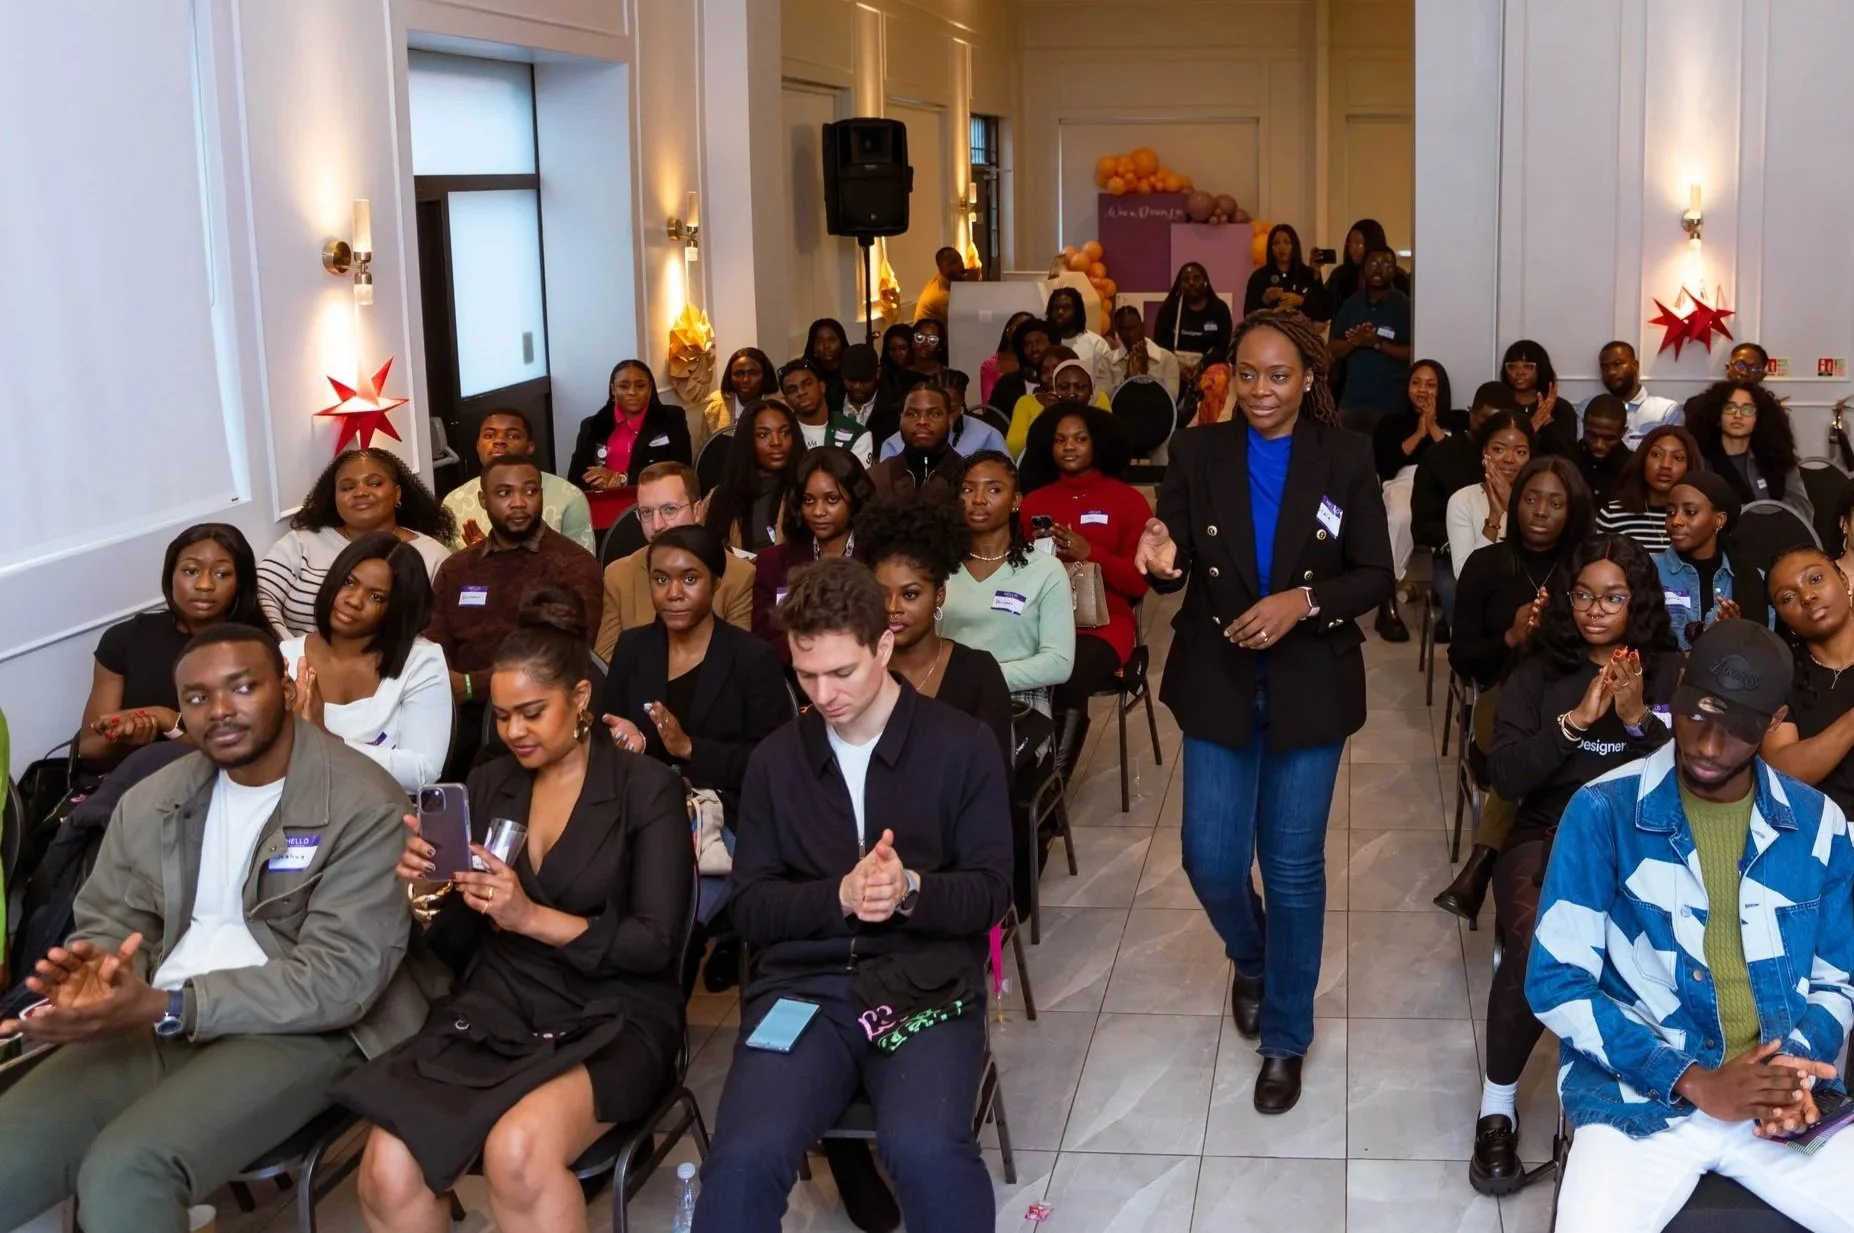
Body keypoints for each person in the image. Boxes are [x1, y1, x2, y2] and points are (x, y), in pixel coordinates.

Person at [0, 625, 431, 1233]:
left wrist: (170, 1004)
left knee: (127, 1171)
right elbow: (113, 918)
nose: (220, 711)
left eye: (242, 687)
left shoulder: (365, 803)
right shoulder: (155, 798)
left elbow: (341, 980)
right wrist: (99, 975)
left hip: (311, 1028)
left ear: (285, 687)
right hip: (158, 1011)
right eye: (197, 697)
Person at [343, 587, 693, 1233]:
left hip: (617, 1008)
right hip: (501, 1000)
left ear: (581, 698)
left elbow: (656, 943)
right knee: (388, 1163)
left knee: (517, 1154)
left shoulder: (646, 790)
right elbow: (463, 944)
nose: (514, 732)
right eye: (503, 716)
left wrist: (530, 916)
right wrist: (428, 896)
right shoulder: (490, 782)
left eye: (532, 712)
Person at [691, 558, 1013, 1233]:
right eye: (806, 675)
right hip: (805, 990)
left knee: (927, 1152)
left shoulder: (960, 745)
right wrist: (836, 896)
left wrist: (911, 889)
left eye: (842, 672)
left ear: (885, 645)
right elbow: (750, 906)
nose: (823, 693)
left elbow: (990, 893)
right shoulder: (779, 759)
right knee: (742, 1158)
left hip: (927, 988)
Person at [1132, 307, 1393, 1113]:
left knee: (1291, 867)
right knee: (1210, 861)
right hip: (1218, 678)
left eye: (1280, 375)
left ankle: (1286, 1036)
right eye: (1248, 374)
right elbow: (1169, 543)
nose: (1262, 390)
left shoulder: (1344, 455)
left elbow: (1374, 574)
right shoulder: (1198, 449)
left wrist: (1302, 601)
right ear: (1229, 377)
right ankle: (1252, 957)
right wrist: (1161, 559)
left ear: (1309, 378)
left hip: (1311, 682)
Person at [1529, 618, 1854, 1233]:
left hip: (1773, 1097)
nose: (1708, 744)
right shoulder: (1603, 811)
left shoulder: (1820, 827)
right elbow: (1555, 983)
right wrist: (1693, 1081)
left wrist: (1791, 1073)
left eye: (1737, 728)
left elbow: (1837, 979)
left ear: (1775, 720)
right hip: (1637, 1098)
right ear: (1676, 694)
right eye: (1697, 716)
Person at [1470, 534, 1682, 1193]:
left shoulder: (1668, 669)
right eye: (1584, 595)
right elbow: (1504, 775)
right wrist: (1573, 722)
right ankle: (1496, 1106)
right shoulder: (1537, 669)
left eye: (1613, 596)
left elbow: (1700, 777)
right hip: (1547, 831)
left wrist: (1638, 717)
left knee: (1661, 940)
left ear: (1637, 600)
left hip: (1642, 838)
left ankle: (1641, 1092)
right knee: (1541, 942)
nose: (1595, 609)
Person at [1432, 457, 1593, 925]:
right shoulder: (1487, 564)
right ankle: (1505, 868)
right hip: (1502, 694)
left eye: (1555, 503)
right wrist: (1511, 637)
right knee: (1519, 743)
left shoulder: (1587, 567)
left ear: (1573, 510)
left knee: (1542, 748)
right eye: (1530, 498)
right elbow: (1462, 658)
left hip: (1576, 695)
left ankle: (1485, 863)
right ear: (1515, 503)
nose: (1540, 511)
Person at [603, 526, 791, 832]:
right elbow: (605, 736)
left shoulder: (752, 658)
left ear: (716, 581)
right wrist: (627, 742)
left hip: (726, 818)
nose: (674, 593)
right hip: (641, 812)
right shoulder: (632, 647)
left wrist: (689, 748)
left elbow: (774, 763)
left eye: (690, 579)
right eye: (661, 579)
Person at [427, 453, 604, 775]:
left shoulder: (573, 564)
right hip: (459, 715)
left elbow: (568, 652)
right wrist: (450, 688)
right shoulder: (457, 568)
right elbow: (434, 646)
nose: (519, 502)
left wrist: (472, 684)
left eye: (530, 491)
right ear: (483, 499)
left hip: (541, 709)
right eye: (504, 493)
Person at [1019, 403, 1151, 775]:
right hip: (1041, 621)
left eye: (1080, 438)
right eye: (1060, 440)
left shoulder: (1127, 500)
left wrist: (1090, 552)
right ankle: (1015, 776)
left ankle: (1050, 795)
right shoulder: (1034, 502)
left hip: (1105, 624)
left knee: (1066, 673)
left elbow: (1140, 582)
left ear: (1098, 444)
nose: (1069, 447)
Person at [81, 524, 268, 768]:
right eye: (190, 571)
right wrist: (120, 735)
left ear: (240, 584)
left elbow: (247, 750)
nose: (204, 585)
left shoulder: (256, 649)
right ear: (171, 576)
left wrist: (167, 720)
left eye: (221, 574)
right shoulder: (125, 639)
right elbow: (89, 748)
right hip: (125, 782)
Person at [279, 532, 450, 794]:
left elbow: (422, 772)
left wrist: (327, 740)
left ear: (397, 607)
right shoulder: (286, 658)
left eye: (376, 597)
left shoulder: (420, 660)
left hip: (383, 813)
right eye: (349, 582)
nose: (354, 600)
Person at [258, 448, 454, 639]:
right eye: (347, 487)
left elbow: (442, 627)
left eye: (374, 483)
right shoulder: (300, 542)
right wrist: (292, 651)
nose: (360, 492)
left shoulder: (432, 555)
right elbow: (260, 595)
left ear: (397, 494)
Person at [941, 451, 1076, 716]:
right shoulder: (938, 567)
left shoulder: (1045, 570)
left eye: (994, 489)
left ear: (1015, 501)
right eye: (968, 489)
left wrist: (980, 678)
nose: (978, 500)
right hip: (946, 696)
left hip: (1018, 701)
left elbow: (1059, 663)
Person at [595, 461, 754, 659]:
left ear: (697, 511)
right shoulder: (619, 575)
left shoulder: (738, 575)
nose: (656, 525)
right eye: (646, 513)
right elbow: (605, 665)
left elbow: (737, 663)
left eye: (669, 510)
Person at [1415, 381, 1521, 626]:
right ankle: (1467, 656)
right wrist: (1466, 534)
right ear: (1470, 413)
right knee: (1463, 594)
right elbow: (1422, 526)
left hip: (1514, 552)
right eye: (1486, 421)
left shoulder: (1519, 463)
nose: (1507, 457)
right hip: (1455, 554)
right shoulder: (1440, 457)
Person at [754, 446, 872, 663]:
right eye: (809, 500)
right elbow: (763, 643)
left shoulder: (878, 559)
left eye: (832, 500)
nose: (818, 511)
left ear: (854, 499)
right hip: (793, 686)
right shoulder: (773, 562)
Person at [1763, 547, 1854, 817]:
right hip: (1818, 838)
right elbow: (1783, 771)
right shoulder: (1780, 676)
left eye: (1815, 579)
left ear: (1844, 581)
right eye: (1788, 597)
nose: (1807, 597)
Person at [1371, 359, 1455, 641]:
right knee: (1400, 517)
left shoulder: (1456, 420)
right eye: (1416, 383)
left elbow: (1457, 462)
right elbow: (1386, 465)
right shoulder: (1391, 422)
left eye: (1431, 384)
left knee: (1461, 517)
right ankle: (1387, 599)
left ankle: (1450, 602)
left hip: (1445, 483)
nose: (1423, 390)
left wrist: (1432, 427)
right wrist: (1419, 433)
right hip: (1404, 479)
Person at [441, 408, 595, 553]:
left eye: (513, 436)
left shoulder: (568, 496)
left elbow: (582, 568)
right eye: (489, 436)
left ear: (530, 447)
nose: (499, 441)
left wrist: (493, 557)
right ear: (477, 446)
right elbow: (447, 571)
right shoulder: (454, 501)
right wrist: (477, 558)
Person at [567, 359, 694, 529]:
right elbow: (575, 478)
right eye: (624, 386)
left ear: (650, 388)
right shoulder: (592, 426)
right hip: (603, 512)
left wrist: (622, 479)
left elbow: (681, 467)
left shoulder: (671, 419)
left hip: (657, 508)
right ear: (613, 389)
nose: (632, 392)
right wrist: (595, 480)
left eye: (640, 386)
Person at [1655, 469, 1768, 648]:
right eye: (1670, 512)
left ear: (1719, 520)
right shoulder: (1649, 570)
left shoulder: (1753, 579)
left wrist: (1735, 632)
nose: (1676, 521)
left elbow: (1765, 652)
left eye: (1690, 512)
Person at [1686, 380, 1812, 519]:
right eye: (1730, 407)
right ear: (1717, 415)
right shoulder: (1699, 461)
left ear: (1758, 419)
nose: (1738, 415)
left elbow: (1802, 508)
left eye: (1747, 409)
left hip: (1776, 537)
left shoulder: (1779, 458)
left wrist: (1761, 523)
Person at [1327, 247, 1413, 430]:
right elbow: (1332, 348)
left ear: (1395, 270)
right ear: (1364, 268)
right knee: (1345, 456)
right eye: (1372, 263)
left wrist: (1377, 344)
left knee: (1383, 457)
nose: (1377, 269)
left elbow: (1414, 353)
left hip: (1391, 406)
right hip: (1352, 403)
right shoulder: (1352, 305)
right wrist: (1355, 341)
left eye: (1385, 264)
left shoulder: (1405, 306)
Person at [704, 398, 803, 554]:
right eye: (763, 435)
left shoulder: (806, 490)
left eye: (785, 432)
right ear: (747, 440)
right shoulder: (721, 496)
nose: (776, 442)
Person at [1445, 411, 1536, 575]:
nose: (1509, 459)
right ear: (1484, 452)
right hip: (1482, 596)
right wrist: (1494, 516)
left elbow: (1539, 564)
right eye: (1499, 449)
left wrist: (1512, 506)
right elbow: (1464, 576)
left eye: (1520, 452)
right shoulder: (1463, 500)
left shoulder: (1539, 499)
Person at [1595, 423, 1699, 552]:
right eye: (1656, 454)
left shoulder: (1699, 519)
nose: (1665, 465)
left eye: (1678, 458)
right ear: (1643, 460)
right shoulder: (1612, 514)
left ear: (1689, 467)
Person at [875, 369, 1007, 462]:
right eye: (936, 413)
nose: (946, 418)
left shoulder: (988, 436)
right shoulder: (893, 444)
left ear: (962, 405)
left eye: (951, 411)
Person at [869, 381, 971, 499]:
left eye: (935, 414)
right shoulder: (877, 479)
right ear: (901, 419)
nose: (922, 421)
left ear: (950, 420)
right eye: (912, 414)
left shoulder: (968, 477)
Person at [1006, 349, 1110, 460]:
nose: (1071, 393)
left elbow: (1109, 442)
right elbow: (1013, 450)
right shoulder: (1026, 402)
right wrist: (1047, 415)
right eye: (1064, 387)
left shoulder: (1098, 398)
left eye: (1080, 386)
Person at [779, 358, 872, 465]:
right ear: (786, 400)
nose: (800, 392)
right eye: (792, 390)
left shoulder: (857, 434)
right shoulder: (781, 433)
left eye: (807, 384)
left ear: (822, 387)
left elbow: (858, 480)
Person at [1153, 261, 1235, 379]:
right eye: (1186, 280)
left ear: (1205, 282)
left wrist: (1202, 365)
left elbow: (1224, 346)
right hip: (1174, 364)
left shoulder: (1219, 308)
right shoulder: (1169, 309)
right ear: (1180, 285)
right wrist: (1177, 365)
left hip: (1209, 365)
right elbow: (1160, 345)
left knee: (1219, 377)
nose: (1191, 283)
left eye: (1196, 278)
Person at [1594, 339, 1683, 447]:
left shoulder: (1667, 411)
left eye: (1617, 364)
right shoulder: (1588, 409)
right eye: (1604, 368)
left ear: (1635, 366)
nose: (1611, 372)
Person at [1499, 339, 1575, 458]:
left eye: (1528, 366)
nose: (1519, 372)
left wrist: (1548, 426)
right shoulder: (1499, 405)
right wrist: (1532, 425)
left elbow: (1568, 457)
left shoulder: (1560, 407)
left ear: (1541, 368)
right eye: (1512, 366)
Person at [698, 347, 781, 452]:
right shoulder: (714, 411)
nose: (746, 379)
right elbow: (703, 454)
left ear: (765, 375)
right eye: (738, 374)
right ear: (730, 377)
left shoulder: (780, 408)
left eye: (753, 373)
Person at [1242, 223, 1329, 320]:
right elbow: (1248, 316)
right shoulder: (1259, 276)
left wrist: (1302, 301)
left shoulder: (1307, 273)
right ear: (1270, 248)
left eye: (1287, 242)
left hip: (1300, 333)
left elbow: (1323, 313)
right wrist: (1265, 300)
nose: (1281, 247)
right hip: (1270, 333)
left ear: (1294, 245)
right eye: (1276, 243)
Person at [1320, 217, 1412, 306]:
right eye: (1350, 245)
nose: (1353, 250)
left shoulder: (1397, 277)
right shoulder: (1340, 276)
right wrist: (1315, 277)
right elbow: (1323, 308)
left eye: (1359, 245)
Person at [1105, 302, 1181, 402]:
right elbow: (1102, 400)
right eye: (1124, 329)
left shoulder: (1167, 359)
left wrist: (1145, 374)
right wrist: (1127, 378)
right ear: (1118, 332)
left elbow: (1171, 399)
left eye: (1133, 328)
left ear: (1142, 326)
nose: (1130, 334)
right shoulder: (1106, 361)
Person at [1045, 285, 1113, 392]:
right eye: (1056, 307)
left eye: (1066, 307)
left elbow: (1104, 385)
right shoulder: (1044, 342)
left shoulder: (1097, 344)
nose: (1060, 312)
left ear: (1078, 311)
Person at [986, 317, 1055, 417]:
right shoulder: (1007, 384)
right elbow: (995, 421)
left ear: (1052, 342)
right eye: (1027, 344)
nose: (1034, 348)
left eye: (1039, 341)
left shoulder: (1064, 380)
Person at [1575, 394, 1633, 506]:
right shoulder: (1566, 462)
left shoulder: (1634, 468)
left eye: (1609, 438)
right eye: (1592, 435)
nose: (1599, 445)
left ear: (1623, 432)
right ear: (1583, 424)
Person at [979, 310, 1036, 408]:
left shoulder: (1036, 363)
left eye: (1026, 330)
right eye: (1018, 328)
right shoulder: (990, 365)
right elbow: (988, 408)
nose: (1021, 333)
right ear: (1008, 330)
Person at [804, 317, 851, 413]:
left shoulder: (851, 370)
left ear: (842, 342)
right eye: (820, 341)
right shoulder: (806, 373)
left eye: (832, 340)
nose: (826, 346)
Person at [913, 245, 968, 323]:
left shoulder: (941, 280)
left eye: (960, 260)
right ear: (941, 268)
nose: (960, 265)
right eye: (953, 263)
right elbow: (966, 318)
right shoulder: (940, 297)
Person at [839, 343, 884, 429]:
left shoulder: (893, 408)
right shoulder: (829, 405)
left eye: (864, 380)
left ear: (878, 373)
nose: (857, 386)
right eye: (851, 380)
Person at [878, 323, 923, 407]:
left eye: (903, 348)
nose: (898, 353)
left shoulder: (921, 372)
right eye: (893, 349)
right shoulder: (884, 375)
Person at [909, 318, 949, 382]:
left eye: (932, 340)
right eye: (920, 338)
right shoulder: (900, 376)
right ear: (912, 342)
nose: (925, 343)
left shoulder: (948, 377)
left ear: (940, 346)